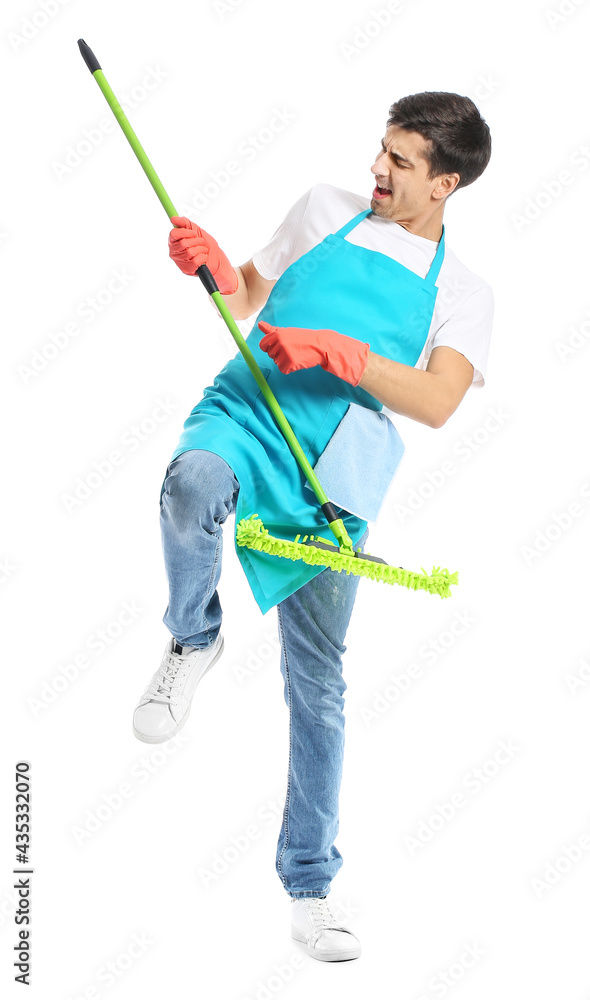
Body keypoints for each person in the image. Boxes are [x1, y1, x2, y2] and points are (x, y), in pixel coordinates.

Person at [132, 92, 493, 963]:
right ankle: (193, 637)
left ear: (445, 183)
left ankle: (312, 887)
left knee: (318, 686)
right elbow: (251, 293)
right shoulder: (324, 208)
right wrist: (216, 267)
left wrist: (347, 359)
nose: (377, 168)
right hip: (250, 411)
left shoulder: (465, 293)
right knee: (192, 483)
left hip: (334, 477)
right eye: (382, 150)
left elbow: (440, 401)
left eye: (402, 162)